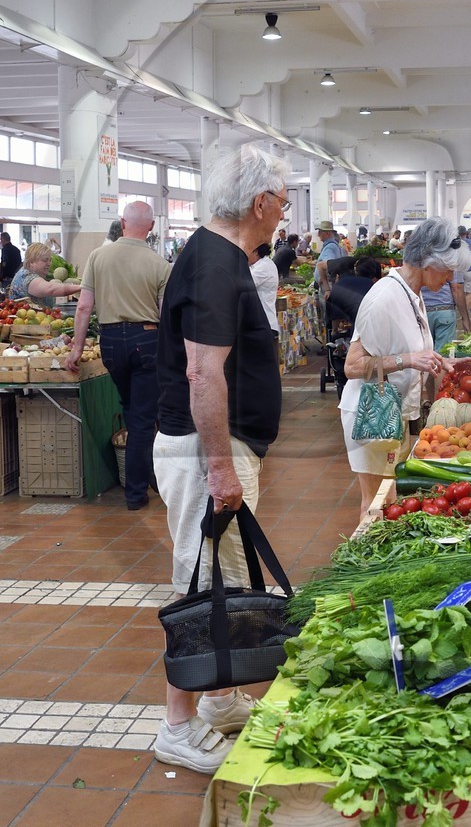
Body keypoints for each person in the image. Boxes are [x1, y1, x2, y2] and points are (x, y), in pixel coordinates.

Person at [151, 145, 289, 773]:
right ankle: (176, 724)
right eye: (283, 203)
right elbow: (202, 372)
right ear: (260, 203)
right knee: (201, 579)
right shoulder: (213, 264)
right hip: (207, 450)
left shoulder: (223, 257)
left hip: (223, 445)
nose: (283, 215)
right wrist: (220, 465)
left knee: (224, 575)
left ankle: (222, 699)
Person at [340, 218, 457, 522]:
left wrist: (438, 360)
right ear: (428, 263)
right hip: (372, 410)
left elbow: (405, 347)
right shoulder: (383, 298)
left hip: (393, 408)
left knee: (389, 498)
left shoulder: (412, 294)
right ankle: (366, 563)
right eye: (447, 270)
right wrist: (408, 360)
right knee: (376, 501)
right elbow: (352, 366)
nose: (449, 278)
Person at [64, 200, 171, 511]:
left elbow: (84, 307)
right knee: (141, 419)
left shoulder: (98, 257)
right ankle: (136, 493)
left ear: (123, 222)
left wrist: (77, 348)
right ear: (151, 228)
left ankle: (143, 477)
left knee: (132, 410)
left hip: (110, 342)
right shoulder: (159, 264)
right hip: (147, 339)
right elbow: (166, 316)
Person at [10, 243, 82, 308]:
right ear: (31, 262)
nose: (49, 263)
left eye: (49, 260)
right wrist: (81, 287)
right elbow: (50, 289)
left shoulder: (32, 274)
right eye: (45, 260)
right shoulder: (27, 276)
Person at [328, 256, 380, 325]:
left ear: (337, 277)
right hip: (373, 318)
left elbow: (335, 317)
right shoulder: (372, 284)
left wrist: (334, 332)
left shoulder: (339, 287)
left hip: (360, 320)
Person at [250, 243, 279, 331]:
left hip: (264, 323)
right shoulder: (261, 264)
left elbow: (241, 285)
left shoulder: (263, 267)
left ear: (255, 252)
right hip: (261, 322)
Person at [316, 220, 345, 290]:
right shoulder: (336, 246)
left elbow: (329, 266)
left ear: (327, 233)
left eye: (320, 232)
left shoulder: (329, 247)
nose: (318, 235)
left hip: (327, 285)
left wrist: (323, 281)